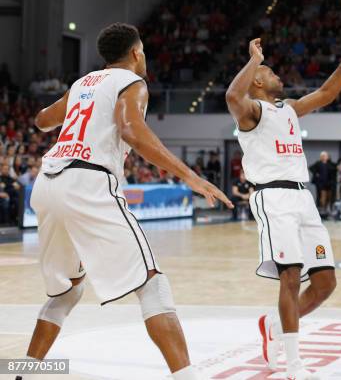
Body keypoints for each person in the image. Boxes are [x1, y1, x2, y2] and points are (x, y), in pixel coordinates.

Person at [24, 23, 232, 380]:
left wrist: (77, 112)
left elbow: (43, 121)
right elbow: (131, 130)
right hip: (88, 181)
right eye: (144, 52)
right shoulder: (132, 82)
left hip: (47, 183)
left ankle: (21, 373)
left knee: (68, 292)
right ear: (136, 53)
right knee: (152, 283)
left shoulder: (82, 83)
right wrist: (189, 175)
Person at [226, 38, 341, 380]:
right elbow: (233, 96)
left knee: (325, 283)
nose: (279, 75)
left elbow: (325, 94)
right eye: (271, 72)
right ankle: (293, 364)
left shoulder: (288, 108)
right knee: (291, 276)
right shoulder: (251, 112)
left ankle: (274, 326)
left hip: (303, 198)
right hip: (273, 197)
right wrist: (254, 60)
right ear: (259, 82)